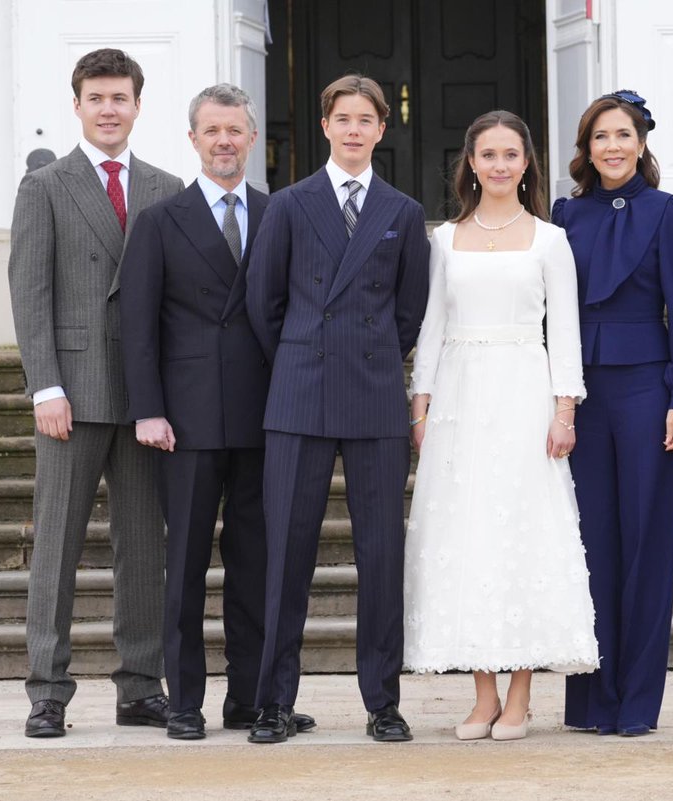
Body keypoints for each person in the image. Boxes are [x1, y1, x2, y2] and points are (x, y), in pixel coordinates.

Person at [120, 84, 315, 740]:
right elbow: (138, 325)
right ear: (193, 139)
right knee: (185, 567)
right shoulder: (159, 220)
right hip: (187, 422)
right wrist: (148, 409)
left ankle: (252, 699)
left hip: (266, 416)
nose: (224, 141)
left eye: (235, 130)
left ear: (252, 138)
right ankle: (184, 702)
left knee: (257, 563)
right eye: (212, 131)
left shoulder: (280, 213)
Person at [245, 74, 430, 743]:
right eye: (343, 118)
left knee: (381, 555)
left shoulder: (404, 211)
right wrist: (304, 355)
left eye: (365, 120)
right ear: (325, 125)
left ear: (382, 128)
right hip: (300, 394)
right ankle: (273, 702)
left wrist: (368, 354)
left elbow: (410, 310)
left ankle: (383, 701)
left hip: (375, 395)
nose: (354, 129)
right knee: (286, 555)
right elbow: (264, 303)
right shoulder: (289, 205)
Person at [404, 110, 600, 742]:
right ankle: (483, 693)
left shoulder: (549, 239)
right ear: (470, 163)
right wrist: (421, 404)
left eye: (510, 154)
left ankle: (520, 694)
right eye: (487, 154)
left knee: (521, 533)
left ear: (526, 164)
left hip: (524, 393)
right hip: (459, 397)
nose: (499, 165)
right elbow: (432, 325)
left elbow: (563, 330)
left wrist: (565, 410)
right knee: (468, 537)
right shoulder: (444, 239)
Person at [8, 48, 183, 738]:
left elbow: (176, 300)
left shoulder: (167, 187)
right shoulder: (45, 186)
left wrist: (166, 394)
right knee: (56, 546)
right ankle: (47, 690)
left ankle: (140, 686)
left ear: (138, 105)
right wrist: (44, 386)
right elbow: (30, 292)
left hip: (142, 397)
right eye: (96, 98)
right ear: (77, 105)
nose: (109, 109)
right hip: (72, 395)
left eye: (120, 97)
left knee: (143, 548)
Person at [551, 90, 673, 736]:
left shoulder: (669, 212)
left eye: (623, 135)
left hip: (646, 390)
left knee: (646, 543)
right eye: (600, 137)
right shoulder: (565, 214)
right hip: (582, 394)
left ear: (641, 144)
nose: (612, 146)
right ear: (586, 150)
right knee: (590, 544)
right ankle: (591, 701)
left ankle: (637, 703)